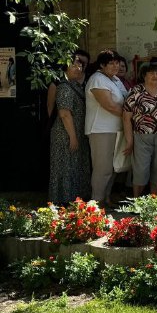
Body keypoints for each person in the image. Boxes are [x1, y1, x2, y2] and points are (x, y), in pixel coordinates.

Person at [85, 49, 128, 205]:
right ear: (102, 65)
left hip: (116, 129)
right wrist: (130, 117)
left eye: (117, 62)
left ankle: (107, 199)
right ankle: (96, 202)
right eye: (111, 63)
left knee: (113, 168)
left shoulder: (115, 79)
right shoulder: (97, 79)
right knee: (102, 169)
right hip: (101, 130)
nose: (115, 66)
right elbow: (109, 105)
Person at [122, 63, 157, 197]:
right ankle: (137, 201)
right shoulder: (136, 91)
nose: (155, 76)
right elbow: (126, 118)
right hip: (141, 135)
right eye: (152, 73)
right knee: (140, 170)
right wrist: (130, 141)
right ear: (144, 75)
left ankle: (153, 201)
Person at [49, 57, 90, 204]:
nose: (78, 68)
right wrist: (73, 137)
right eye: (74, 65)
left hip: (75, 132)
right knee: (65, 166)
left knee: (74, 166)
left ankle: (74, 199)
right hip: (65, 134)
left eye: (80, 65)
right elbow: (64, 113)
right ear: (65, 69)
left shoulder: (75, 86)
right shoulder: (64, 87)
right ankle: (63, 200)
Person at [47, 50, 90, 119]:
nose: (80, 66)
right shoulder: (58, 82)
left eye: (83, 63)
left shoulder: (90, 79)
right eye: (75, 64)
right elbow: (50, 105)